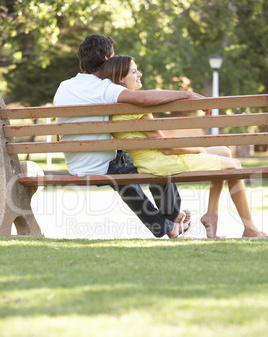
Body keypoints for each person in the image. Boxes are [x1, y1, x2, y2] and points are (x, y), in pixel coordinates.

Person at [53, 34, 211, 239]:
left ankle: (171, 220)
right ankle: (170, 222)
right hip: (103, 164)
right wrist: (187, 94)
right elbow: (143, 98)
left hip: (76, 164)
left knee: (139, 164)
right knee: (155, 163)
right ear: (108, 59)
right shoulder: (103, 87)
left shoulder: (64, 86)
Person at [101, 54, 266, 239]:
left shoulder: (118, 106)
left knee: (224, 151)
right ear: (121, 78)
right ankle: (250, 229)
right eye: (134, 71)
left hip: (152, 160)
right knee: (234, 165)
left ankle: (211, 215)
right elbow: (168, 149)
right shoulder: (134, 109)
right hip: (160, 162)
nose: (139, 74)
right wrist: (199, 149)